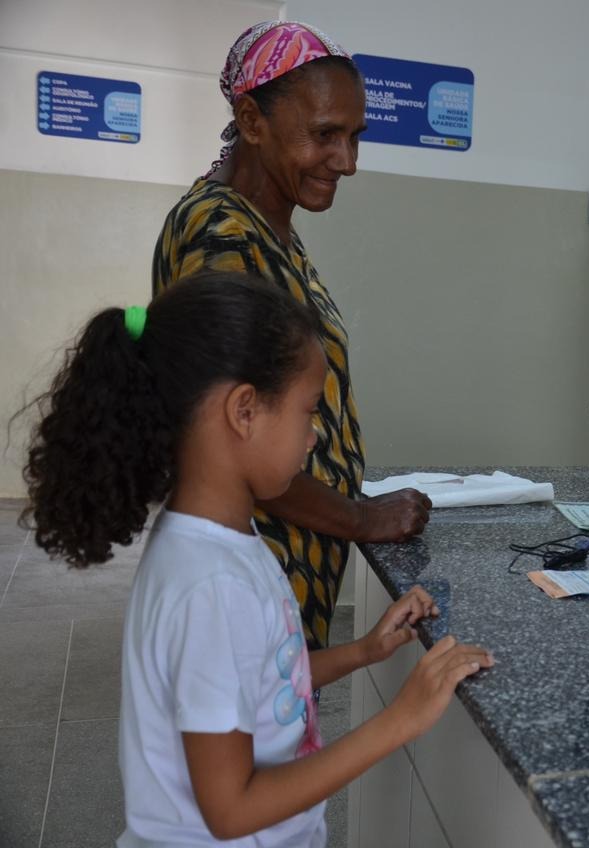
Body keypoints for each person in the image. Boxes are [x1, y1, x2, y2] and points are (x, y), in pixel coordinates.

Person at [21, 273, 493, 845]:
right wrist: (401, 719)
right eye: (308, 410)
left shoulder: (220, 540)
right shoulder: (209, 586)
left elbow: (264, 679)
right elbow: (231, 809)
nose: (314, 435)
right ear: (244, 411)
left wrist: (364, 651)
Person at [153, 21, 429, 649]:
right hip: (253, 568)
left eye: (356, 137)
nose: (348, 161)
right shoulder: (221, 237)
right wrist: (360, 517)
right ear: (251, 121)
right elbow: (232, 433)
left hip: (285, 566)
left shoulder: (266, 228)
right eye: (325, 135)